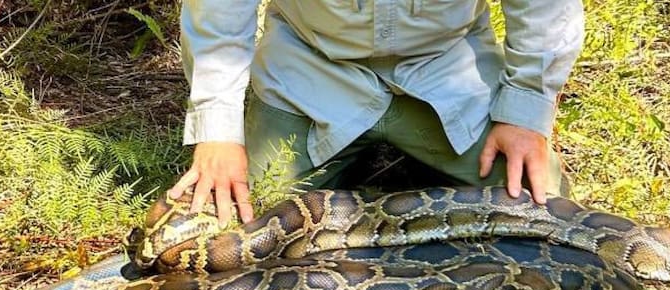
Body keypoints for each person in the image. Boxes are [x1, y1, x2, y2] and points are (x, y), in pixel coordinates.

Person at [169, 0, 585, 226]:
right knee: (241, 219)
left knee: (543, 212)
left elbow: (545, 7)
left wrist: (524, 110)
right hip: (312, 69)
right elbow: (219, 10)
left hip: (445, 69)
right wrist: (219, 128)